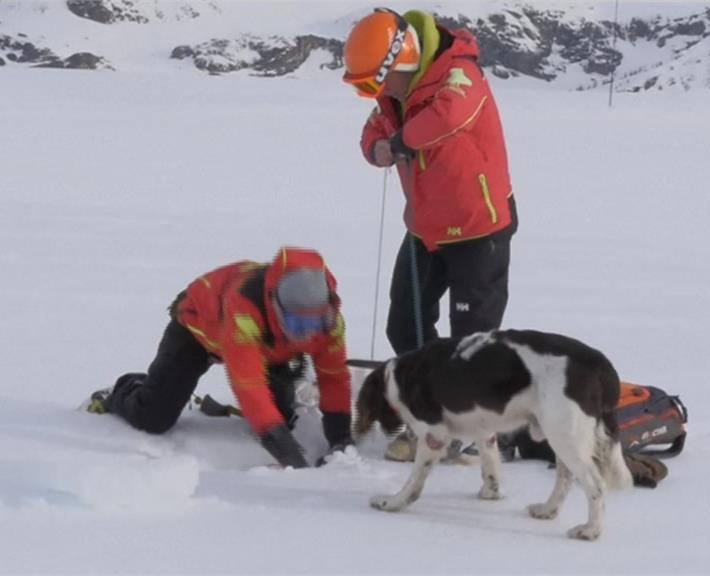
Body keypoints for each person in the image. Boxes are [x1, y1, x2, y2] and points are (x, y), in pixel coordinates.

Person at [342, 8, 518, 461]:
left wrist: (397, 143)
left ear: (399, 62)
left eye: (373, 83)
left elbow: (448, 117)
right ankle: (429, 408)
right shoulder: (392, 99)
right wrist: (376, 149)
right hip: (424, 230)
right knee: (405, 325)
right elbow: (370, 136)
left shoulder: (459, 74)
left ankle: (463, 427)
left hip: (478, 230)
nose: (373, 95)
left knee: (471, 341)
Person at [87, 247, 353, 469]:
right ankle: (125, 390)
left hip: (270, 351)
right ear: (276, 306)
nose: (306, 335)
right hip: (198, 333)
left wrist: (340, 438)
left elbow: (334, 378)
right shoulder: (244, 309)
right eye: (297, 325)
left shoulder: (329, 323)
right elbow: (248, 385)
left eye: (313, 324)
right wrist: (291, 459)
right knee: (153, 418)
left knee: (281, 418)